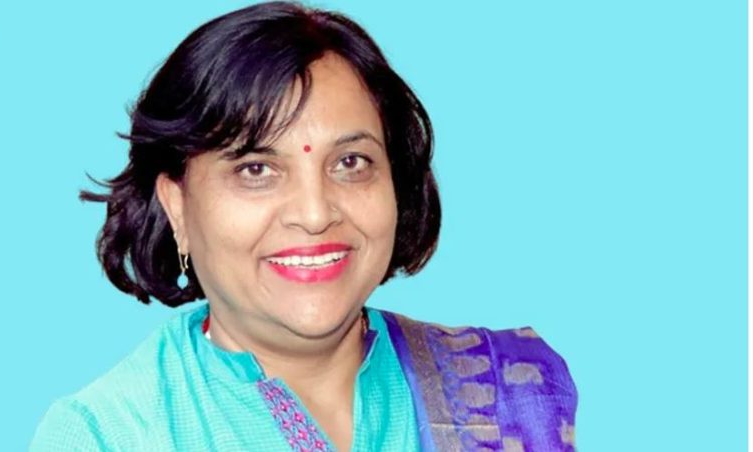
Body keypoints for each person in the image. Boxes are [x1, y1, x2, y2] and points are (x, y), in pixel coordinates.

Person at [31, 2, 577, 451]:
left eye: (351, 163)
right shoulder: (106, 435)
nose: (315, 214)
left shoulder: (520, 392)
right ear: (177, 206)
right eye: (256, 170)